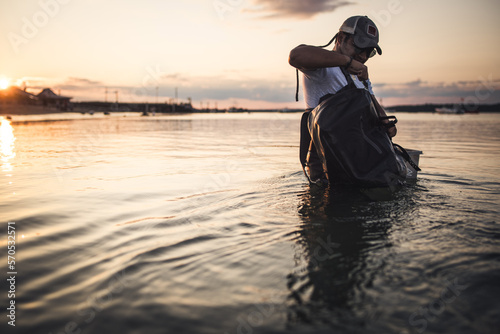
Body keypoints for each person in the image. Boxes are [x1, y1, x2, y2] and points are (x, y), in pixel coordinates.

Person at [288, 15, 397, 183]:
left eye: (369, 51)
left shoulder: (360, 75)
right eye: (359, 46)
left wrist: (385, 123)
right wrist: (347, 61)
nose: (363, 55)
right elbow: (296, 56)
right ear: (340, 38)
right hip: (331, 167)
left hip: (361, 165)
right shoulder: (320, 69)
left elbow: (377, 112)